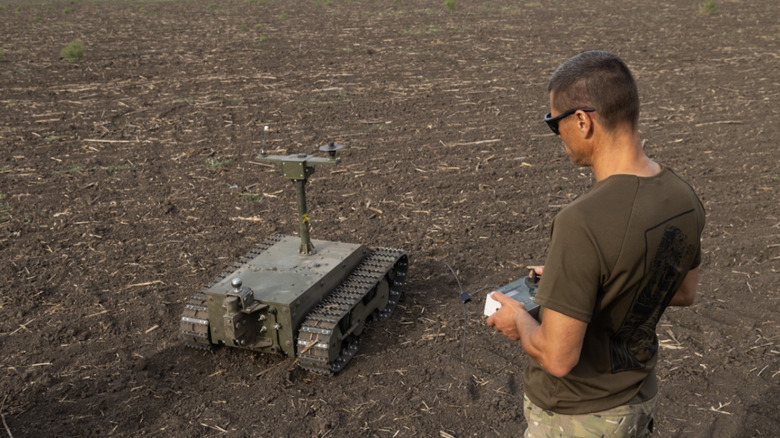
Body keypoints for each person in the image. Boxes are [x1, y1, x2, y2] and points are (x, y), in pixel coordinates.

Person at [486, 50, 705, 437]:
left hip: (579, 416)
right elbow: (683, 291)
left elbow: (558, 358)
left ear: (582, 121)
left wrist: (518, 320)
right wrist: (575, 284)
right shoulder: (682, 196)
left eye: (554, 123)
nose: (558, 135)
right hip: (638, 396)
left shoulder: (581, 222)